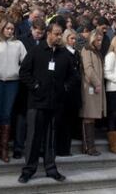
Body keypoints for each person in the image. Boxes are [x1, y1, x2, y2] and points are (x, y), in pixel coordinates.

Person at [18, 21, 75, 183]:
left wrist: (64, 87)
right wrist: (35, 86)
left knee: (51, 139)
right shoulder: (36, 51)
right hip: (37, 103)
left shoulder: (65, 54)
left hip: (56, 103)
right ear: (48, 34)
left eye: (60, 34)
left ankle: (51, 168)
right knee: (33, 138)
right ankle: (28, 170)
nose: (59, 37)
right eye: (56, 34)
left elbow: (73, 76)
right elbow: (24, 72)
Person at [0, 17, 27, 162]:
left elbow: (25, 61)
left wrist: (18, 71)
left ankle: (3, 149)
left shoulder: (18, 44)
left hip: (12, 81)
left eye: (12, 29)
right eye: (7, 28)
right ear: (1, 29)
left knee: (7, 113)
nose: (10, 31)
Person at [13, 19, 46, 159]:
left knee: (37, 119)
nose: (39, 35)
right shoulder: (21, 40)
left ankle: (37, 148)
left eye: (41, 33)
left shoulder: (45, 42)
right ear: (31, 29)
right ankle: (18, 147)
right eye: (37, 32)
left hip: (40, 86)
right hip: (24, 84)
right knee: (22, 118)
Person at [56, 28, 82, 156]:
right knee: (62, 121)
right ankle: (59, 148)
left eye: (75, 38)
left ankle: (66, 148)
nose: (74, 41)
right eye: (71, 38)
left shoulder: (76, 53)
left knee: (70, 121)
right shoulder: (62, 53)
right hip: (64, 92)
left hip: (74, 92)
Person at [80, 30, 106, 156]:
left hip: (96, 87)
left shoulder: (96, 51)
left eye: (101, 40)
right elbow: (88, 68)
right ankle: (88, 147)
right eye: (98, 40)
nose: (100, 42)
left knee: (92, 117)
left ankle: (91, 146)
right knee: (88, 116)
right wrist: (97, 83)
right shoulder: (87, 50)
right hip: (89, 87)